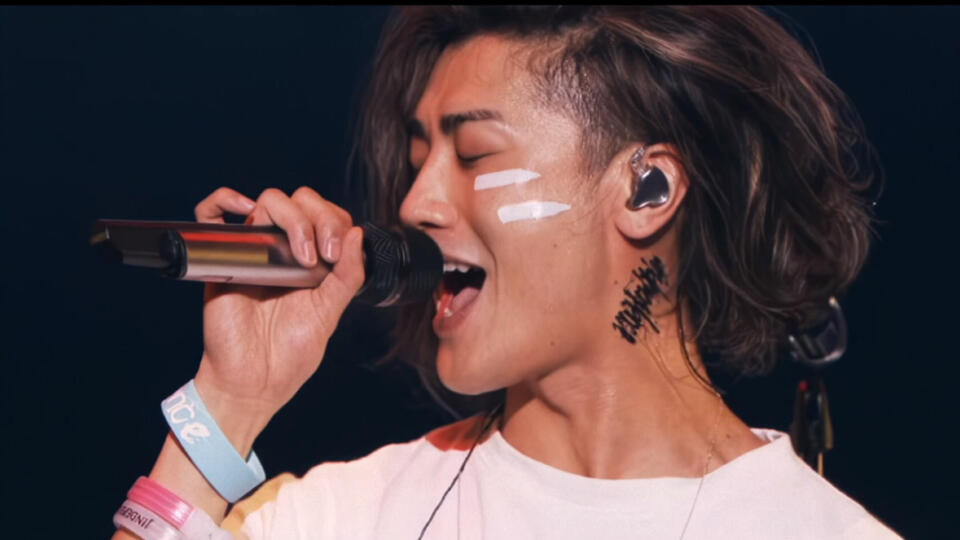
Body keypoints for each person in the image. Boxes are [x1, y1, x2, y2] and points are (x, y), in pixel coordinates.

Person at [111, 6, 901, 539]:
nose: (413, 204)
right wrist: (228, 405)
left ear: (648, 189)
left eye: (474, 155)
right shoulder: (346, 516)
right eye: (418, 160)